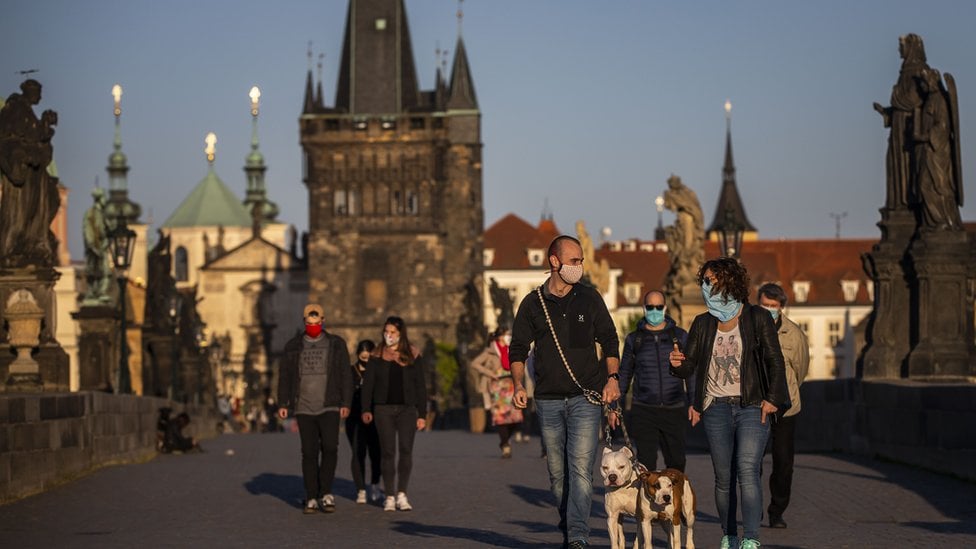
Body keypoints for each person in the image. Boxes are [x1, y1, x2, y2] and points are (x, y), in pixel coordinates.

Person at [669, 257, 789, 549]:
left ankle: (751, 538)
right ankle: (729, 535)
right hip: (716, 407)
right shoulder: (703, 323)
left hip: (751, 405)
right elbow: (690, 366)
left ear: (728, 282)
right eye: (704, 282)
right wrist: (677, 364)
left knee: (747, 471)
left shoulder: (757, 317)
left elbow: (775, 360)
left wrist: (772, 399)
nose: (706, 287)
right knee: (723, 478)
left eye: (710, 281)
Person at [510, 235, 621, 549]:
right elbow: (517, 349)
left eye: (582, 260)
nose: (580, 267)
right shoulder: (533, 303)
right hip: (547, 400)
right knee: (558, 476)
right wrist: (518, 384)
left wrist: (612, 378)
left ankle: (578, 536)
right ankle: (569, 519)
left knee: (581, 470)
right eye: (574, 261)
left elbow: (609, 340)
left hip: (585, 398)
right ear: (554, 261)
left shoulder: (589, 299)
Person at [277, 304, 353, 514]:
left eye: (316, 323)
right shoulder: (293, 346)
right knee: (309, 452)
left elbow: (345, 374)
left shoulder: (336, 344)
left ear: (323, 321)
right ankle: (311, 495)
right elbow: (285, 376)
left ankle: (325, 492)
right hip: (303, 406)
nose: (313, 327)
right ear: (304, 322)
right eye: (309, 324)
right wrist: (283, 403)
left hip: (329, 403)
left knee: (330, 448)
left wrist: (346, 403)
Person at [617, 290, 693, 471]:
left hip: (674, 407)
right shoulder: (634, 339)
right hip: (644, 409)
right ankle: (647, 499)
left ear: (664, 308)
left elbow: (691, 371)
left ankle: (675, 499)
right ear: (644, 308)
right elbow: (625, 374)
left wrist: (694, 403)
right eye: (650, 307)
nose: (654, 311)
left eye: (658, 307)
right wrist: (615, 406)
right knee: (646, 464)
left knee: (676, 463)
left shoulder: (680, 336)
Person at [757, 283, 810, 529]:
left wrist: (784, 393)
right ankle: (752, 507)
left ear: (782, 308)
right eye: (764, 306)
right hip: (755, 406)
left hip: (786, 408)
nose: (769, 310)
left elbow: (800, 370)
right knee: (751, 462)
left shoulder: (794, 334)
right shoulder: (749, 330)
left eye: (773, 307)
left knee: (783, 463)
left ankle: (776, 511)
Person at [361, 316, 427, 512]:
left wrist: (422, 413)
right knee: (388, 452)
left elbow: (420, 386)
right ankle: (389, 495)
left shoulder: (413, 354)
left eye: (392, 333)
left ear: (401, 334)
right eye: (386, 332)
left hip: (407, 409)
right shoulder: (376, 355)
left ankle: (402, 494)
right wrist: (366, 409)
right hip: (383, 410)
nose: (388, 336)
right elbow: (368, 385)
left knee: (406, 450)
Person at [471, 327, 524, 458]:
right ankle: (505, 445)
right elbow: (475, 363)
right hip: (497, 386)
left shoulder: (511, 348)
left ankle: (505, 440)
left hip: (511, 385)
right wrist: (490, 373)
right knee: (500, 417)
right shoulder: (490, 351)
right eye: (507, 335)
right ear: (500, 336)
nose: (509, 337)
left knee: (515, 417)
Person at [347, 340, 383, 504]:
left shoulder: (377, 370)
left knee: (376, 453)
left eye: (368, 351)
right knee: (357, 453)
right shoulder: (350, 371)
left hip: (375, 418)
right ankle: (360, 489)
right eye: (362, 351)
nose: (365, 354)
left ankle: (375, 484)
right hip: (354, 419)